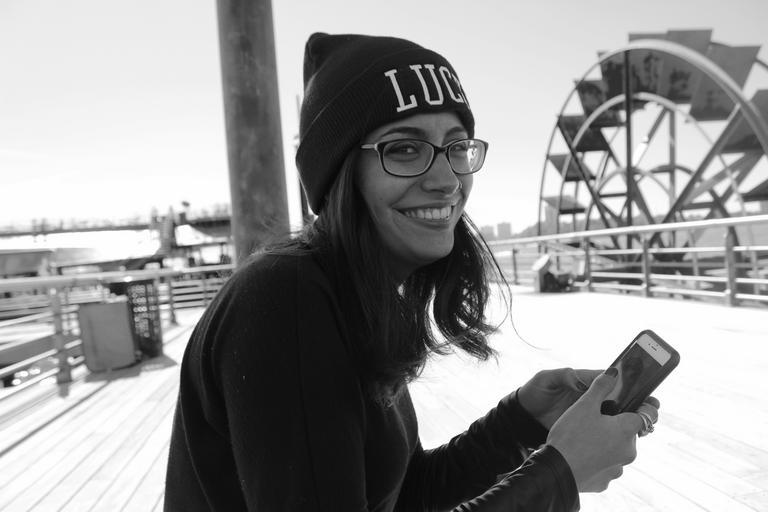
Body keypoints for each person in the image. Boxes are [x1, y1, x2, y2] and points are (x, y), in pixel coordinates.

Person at [164, 32, 660, 511]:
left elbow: (404, 494)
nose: (447, 180)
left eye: (457, 147)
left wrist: (521, 420)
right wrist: (559, 474)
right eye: (404, 148)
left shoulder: (356, 295)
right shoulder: (286, 300)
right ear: (339, 172)